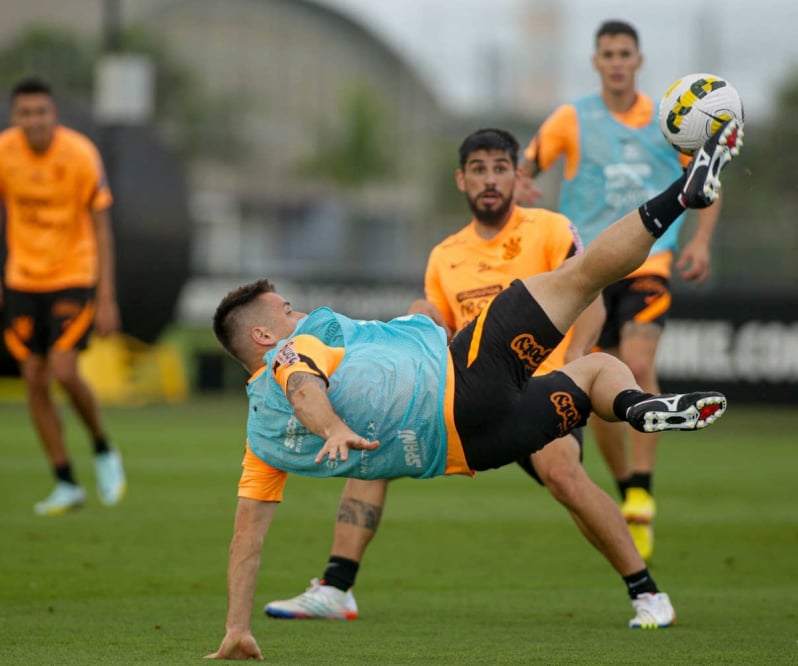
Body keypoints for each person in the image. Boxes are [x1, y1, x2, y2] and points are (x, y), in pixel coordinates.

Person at [205, 119, 742, 659]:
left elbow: (244, 541)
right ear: (263, 335)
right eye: (287, 310)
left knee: (592, 375)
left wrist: (236, 627)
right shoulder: (298, 346)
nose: (299, 312)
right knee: (582, 278)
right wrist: (332, 426)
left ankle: (636, 407)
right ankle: (683, 194)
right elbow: (301, 383)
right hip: (464, 378)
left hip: (470, 446)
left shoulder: (260, 444)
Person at [262, 128, 664, 626]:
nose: (489, 179)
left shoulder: (550, 229)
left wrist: (570, 364)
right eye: (478, 169)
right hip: (467, 390)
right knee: (373, 445)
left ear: (518, 176)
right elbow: (435, 326)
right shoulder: (445, 254)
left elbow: (590, 297)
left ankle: (646, 593)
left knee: (563, 475)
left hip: (540, 383)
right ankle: (336, 587)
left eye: (500, 168)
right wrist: (416, 322)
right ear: (461, 179)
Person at [518, 20, 723, 560]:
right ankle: (629, 485)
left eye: (624, 53)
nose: (615, 61)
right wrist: (522, 181)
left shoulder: (670, 121)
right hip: (590, 268)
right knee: (595, 380)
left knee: (637, 354)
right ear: (595, 61)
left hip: (649, 261)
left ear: (638, 60)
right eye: (606, 53)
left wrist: (699, 242)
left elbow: (707, 180)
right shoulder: (572, 118)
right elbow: (527, 163)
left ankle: (643, 488)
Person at [0, 76, 126, 516]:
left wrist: (106, 295)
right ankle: (65, 481)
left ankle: (101, 446)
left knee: (63, 368)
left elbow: (101, 225)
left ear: (53, 114)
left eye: (41, 111)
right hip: (22, 278)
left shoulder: (80, 155)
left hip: (73, 273)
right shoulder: (0, 153)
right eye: (25, 113)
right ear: (14, 117)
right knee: (33, 378)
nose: (34, 120)